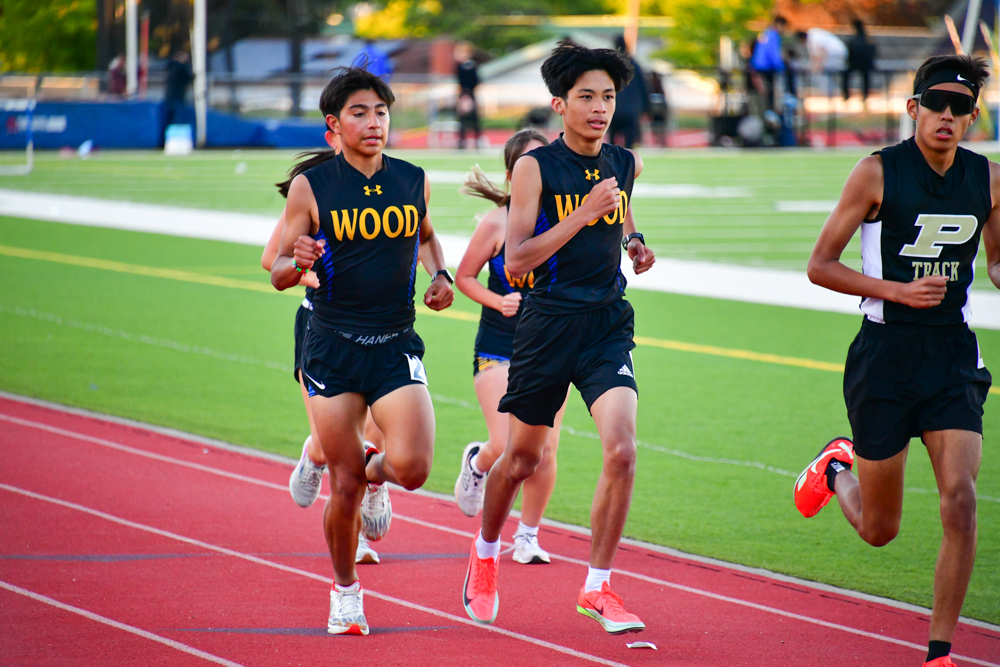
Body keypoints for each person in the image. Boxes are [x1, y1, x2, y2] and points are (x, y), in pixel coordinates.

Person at [795, 55, 999, 667]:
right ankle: (837, 467)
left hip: (952, 354)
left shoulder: (988, 179)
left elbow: (995, 261)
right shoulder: (876, 172)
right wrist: (897, 291)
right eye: (936, 103)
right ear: (913, 108)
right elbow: (820, 265)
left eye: (960, 107)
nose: (946, 115)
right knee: (880, 529)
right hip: (884, 355)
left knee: (960, 500)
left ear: (972, 117)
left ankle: (939, 653)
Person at [461, 39, 656, 634]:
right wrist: (582, 214)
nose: (600, 108)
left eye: (608, 97)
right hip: (546, 325)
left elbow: (620, 211)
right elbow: (516, 259)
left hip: (605, 324)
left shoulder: (626, 162)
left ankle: (597, 587)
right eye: (587, 97)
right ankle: (486, 554)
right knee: (522, 458)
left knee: (622, 450)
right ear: (559, 105)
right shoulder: (535, 167)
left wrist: (633, 242)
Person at [271, 66, 455, 635]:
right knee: (344, 483)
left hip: (395, 343)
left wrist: (441, 274)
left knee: (414, 468)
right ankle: (345, 591)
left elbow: (425, 236)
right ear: (334, 124)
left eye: (381, 112)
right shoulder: (312, 187)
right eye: (359, 113)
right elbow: (277, 270)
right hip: (333, 347)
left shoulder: (413, 179)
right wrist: (298, 262)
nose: (374, 122)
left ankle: (372, 470)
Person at [261, 130, 382, 565]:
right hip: (320, 324)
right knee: (343, 443)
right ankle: (319, 465)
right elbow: (271, 258)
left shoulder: (389, 187)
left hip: (380, 327)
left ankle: (372, 489)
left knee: (378, 431)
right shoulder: (313, 187)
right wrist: (309, 274)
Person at [453, 129, 568, 565]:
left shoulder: (565, 220)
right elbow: (464, 277)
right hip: (499, 346)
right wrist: (496, 300)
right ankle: (478, 463)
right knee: (507, 445)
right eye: (529, 164)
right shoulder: (496, 222)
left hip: (550, 348)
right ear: (511, 175)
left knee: (545, 450)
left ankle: (528, 536)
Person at [608, 35, 648, 149]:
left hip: (614, 109)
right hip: (631, 110)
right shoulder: (634, 65)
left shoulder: (610, 66)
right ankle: (628, 159)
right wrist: (646, 108)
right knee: (629, 142)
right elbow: (643, 87)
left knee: (612, 142)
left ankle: (611, 159)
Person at [749, 16, 788, 111]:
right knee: (769, 95)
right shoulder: (773, 35)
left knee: (763, 94)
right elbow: (773, 54)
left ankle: (766, 112)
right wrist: (781, 67)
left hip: (758, 66)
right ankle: (769, 113)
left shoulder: (766, 33)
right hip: (766, 68)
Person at [794, 28, 847, 95]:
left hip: (835, 54)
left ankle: (830, 93)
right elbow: (815, 56)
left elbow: (820, 54)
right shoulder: (814, 34)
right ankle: (830, 92)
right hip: (838, 53)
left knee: (823, 73)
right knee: (822, 71)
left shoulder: (813, 37)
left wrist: (815, 69)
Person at [455, 42, 481, 150]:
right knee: (462, 120)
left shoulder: (472, 66)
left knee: (474, 119)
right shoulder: (459, 66)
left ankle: (477, 140)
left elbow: (476, 80)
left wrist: (469, 93)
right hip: (463, 94)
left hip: (471, 94)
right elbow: (459, 81)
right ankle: (462, 141)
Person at [844, 19, 877, 103]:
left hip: (856, 63)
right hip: (865, 64)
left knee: (847, 75)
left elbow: (850, 54)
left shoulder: (855, 40)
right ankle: (864, 96)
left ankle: (847, 95)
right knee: (865, 77)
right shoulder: (868, 39)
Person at [162, 51, 193, 140]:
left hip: (169, 97)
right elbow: (187, 78)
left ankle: (165, 138)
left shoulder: (170, 67)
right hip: (178, 97)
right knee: (178, 118)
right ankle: (177, 138)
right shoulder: (181, 67)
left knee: (168, 119)